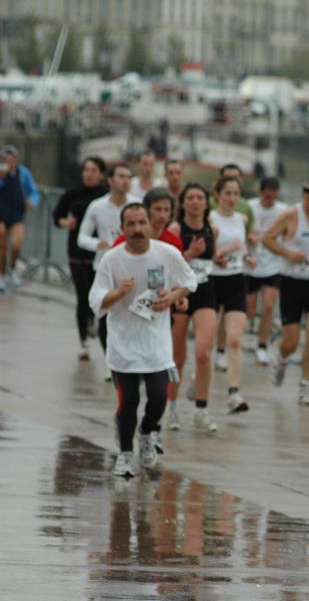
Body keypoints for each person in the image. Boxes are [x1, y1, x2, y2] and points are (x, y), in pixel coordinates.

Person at [87, 202, 196, 476]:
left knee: (159, 396)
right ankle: (125, 454)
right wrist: (118, 293)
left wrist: (172, 297)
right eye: (131, 224)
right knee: (130, 400)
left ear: (150, 224)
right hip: (123, 342)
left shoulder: (167, 253)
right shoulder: (112, 259)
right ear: (122, 228)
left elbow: (189, 281)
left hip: (156, 342)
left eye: (142, 223)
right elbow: (95, 300)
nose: (137, 229)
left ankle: (147, 433)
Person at [262, 178, 309, 405]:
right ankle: (281, 358)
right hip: (291, 282)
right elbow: (267, 239)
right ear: (303, 196)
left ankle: (305, 386)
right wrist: (287, 253)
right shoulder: (290, 215)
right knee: (291, 341)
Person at [166, 182, 220, 433]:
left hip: (205, 291)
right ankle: (172, 407)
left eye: (200, 197)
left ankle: (201, 409)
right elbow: (169, 264)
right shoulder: (176, 228)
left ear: (207, 203)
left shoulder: (212, 229)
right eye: (191, 198)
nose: (196, 202)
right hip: (180, 293)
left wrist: (216, 257)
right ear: (183, 202)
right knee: (177, 356)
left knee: (203, 353)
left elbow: (212, 259)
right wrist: (189, 252)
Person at [78, 163, 140, 355]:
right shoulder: (97, 207)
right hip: (105, 266)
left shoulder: (137, 205)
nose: (126, 181)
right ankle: (110, 359)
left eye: (129, 177)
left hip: (133, 266)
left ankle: (130, 355)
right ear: (110, 180)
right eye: (121, 176)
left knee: (132, 313)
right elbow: (82, 237)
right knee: (107, 315)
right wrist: (96, 243)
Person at [52, 156, 107, 359]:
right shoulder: (73, 193)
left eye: (93, 170)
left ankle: (93, 319)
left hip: (100, 253)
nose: (89, 173)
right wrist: (66, 223)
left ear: (101, 174)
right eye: (86, 169)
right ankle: (83, 343)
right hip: (76, 250)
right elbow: (57, 215)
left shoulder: (106, 196)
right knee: (82, 295)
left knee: (97, 294)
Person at [209, 175, 253, 413]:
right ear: (218, 194)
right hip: (214, 281)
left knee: (235, 340)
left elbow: (242, 245)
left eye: (236, 194)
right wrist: (225, 250)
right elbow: (209, 251)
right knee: (206, 341)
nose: (232, 198)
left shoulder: (242, 218)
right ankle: (200, 376)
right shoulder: (210, 218)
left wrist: (248, 257)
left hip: (237, 280)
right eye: (227, 193)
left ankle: (234, 393)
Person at [246, 177, 286, 365]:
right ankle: (235, 342)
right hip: (251, 264)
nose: (269, 199)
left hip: (273, 264)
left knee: (269, 306)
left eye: (273, 196)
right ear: (261, 192)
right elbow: (239, 229)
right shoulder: (249, 206)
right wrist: (250, 236)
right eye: (266, 195)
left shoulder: (283, 211)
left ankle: (261, 346)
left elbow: (290, 233)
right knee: (249, 309)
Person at [0, 144, 40, 292]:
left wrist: (32, 201)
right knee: (2, 241)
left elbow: (34, 192)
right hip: (1, 213)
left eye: (11, 158)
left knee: (17, 243)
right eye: (6, 158)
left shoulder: (23, 174)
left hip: (17, 212)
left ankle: (12, 267)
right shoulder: (1, 173)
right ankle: (1, 273)